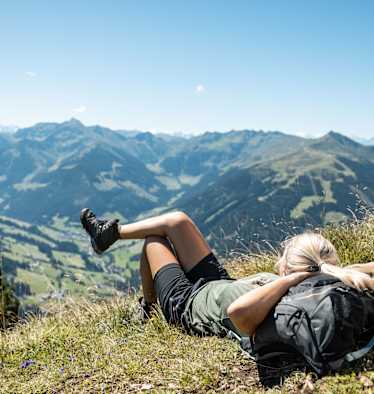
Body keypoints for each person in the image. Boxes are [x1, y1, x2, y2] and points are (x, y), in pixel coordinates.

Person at [80, 209, 374, 338]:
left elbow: (239, 314)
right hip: (217, 283)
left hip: (188, 305)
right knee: (177, 221)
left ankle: (148, 308)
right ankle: (109, 234)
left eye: (284, 253)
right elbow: (345, 271)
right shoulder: (322, 279)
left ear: (290, 269)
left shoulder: (290, 292)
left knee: (154, 242)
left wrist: (289, 279)